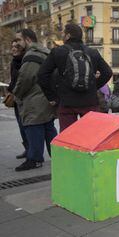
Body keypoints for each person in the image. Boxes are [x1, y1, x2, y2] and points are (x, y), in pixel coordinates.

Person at [37, 23, 112, 132]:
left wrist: (52, 96)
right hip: (89, 101)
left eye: (64, 34)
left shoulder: (58, 52)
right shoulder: (93, 52)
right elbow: (107, 72)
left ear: (68, 36)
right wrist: (93, 86)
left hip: (67, 102)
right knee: (90, 135)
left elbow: (42, 74)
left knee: (68, 136)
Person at [13, 29, 57, 171]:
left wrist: (16, 94)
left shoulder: (32, 55)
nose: (16, 43)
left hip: (34, 100)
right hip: (46, 98)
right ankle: (58, 156)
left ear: (27, 40)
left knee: (34, 127)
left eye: (18, 40)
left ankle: (34, 159)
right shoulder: (46, 52)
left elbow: (25, 78)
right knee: (48, 128)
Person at [7, 39, 28, 159]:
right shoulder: (13, 62)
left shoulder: (25, 61)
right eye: (12, 47)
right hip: (16, 98)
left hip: (24, 98)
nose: (13, 49)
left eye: (16, 46)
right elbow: (13, 80)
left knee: (26, 125)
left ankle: (32, 151)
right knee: (21, 126)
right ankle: (27, 148)